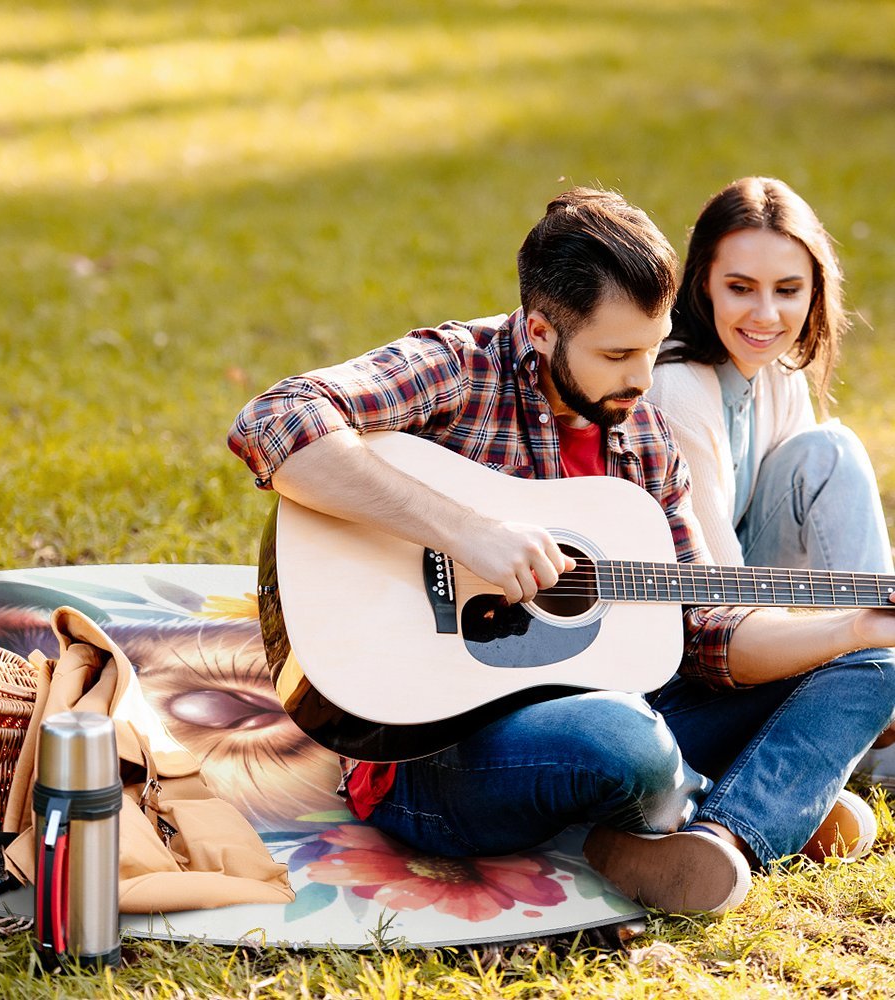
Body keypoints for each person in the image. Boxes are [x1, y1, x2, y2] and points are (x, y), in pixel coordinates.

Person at [228, 187, 895, 916]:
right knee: (624, 741)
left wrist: (851, 628)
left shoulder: (643, 436)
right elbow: (275, 419)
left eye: (652, 346)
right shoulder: (459, 367)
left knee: (875, 665)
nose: (643, 380)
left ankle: (725, 836)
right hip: (433, 754)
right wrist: (464, 530)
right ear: (541, 330)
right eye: (617, 354)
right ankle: (752, 796)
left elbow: (704, 629)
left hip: (622, 707)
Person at [648, 176, 895, 797]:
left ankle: (875, 690)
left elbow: (818, 522)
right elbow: (718, 601)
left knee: (827, 451)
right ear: (702, 281)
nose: (767, 315)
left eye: (788, 290)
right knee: (831, 450)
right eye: (740, 288)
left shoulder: (776, 370)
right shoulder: (678, 387)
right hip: (693, 640)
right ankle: (870, 704)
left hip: (758, 602)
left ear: (815, 291)